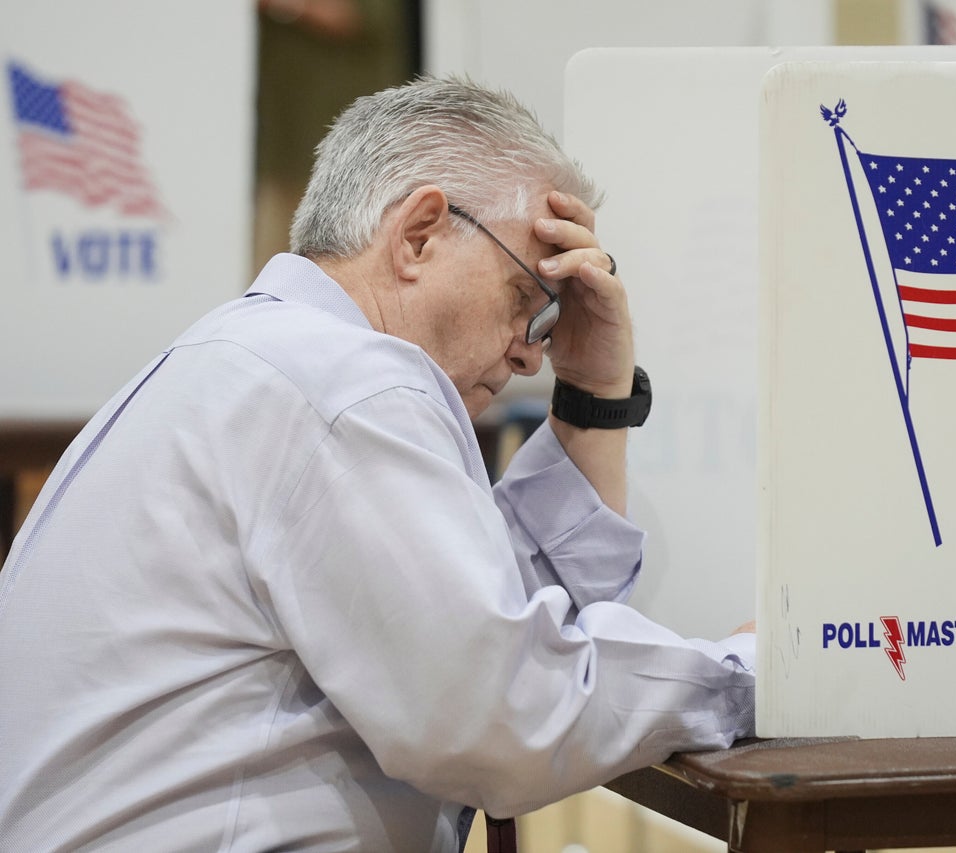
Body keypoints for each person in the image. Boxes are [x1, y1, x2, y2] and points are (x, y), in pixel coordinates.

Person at [0, 76, 754, 851]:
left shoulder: (262, 360)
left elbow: (483, 620)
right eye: (526, 293)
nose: (533, 352)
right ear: (420, 233)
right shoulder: (341, 381)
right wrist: (753, 673)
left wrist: (594, 395)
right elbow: (497, 717)